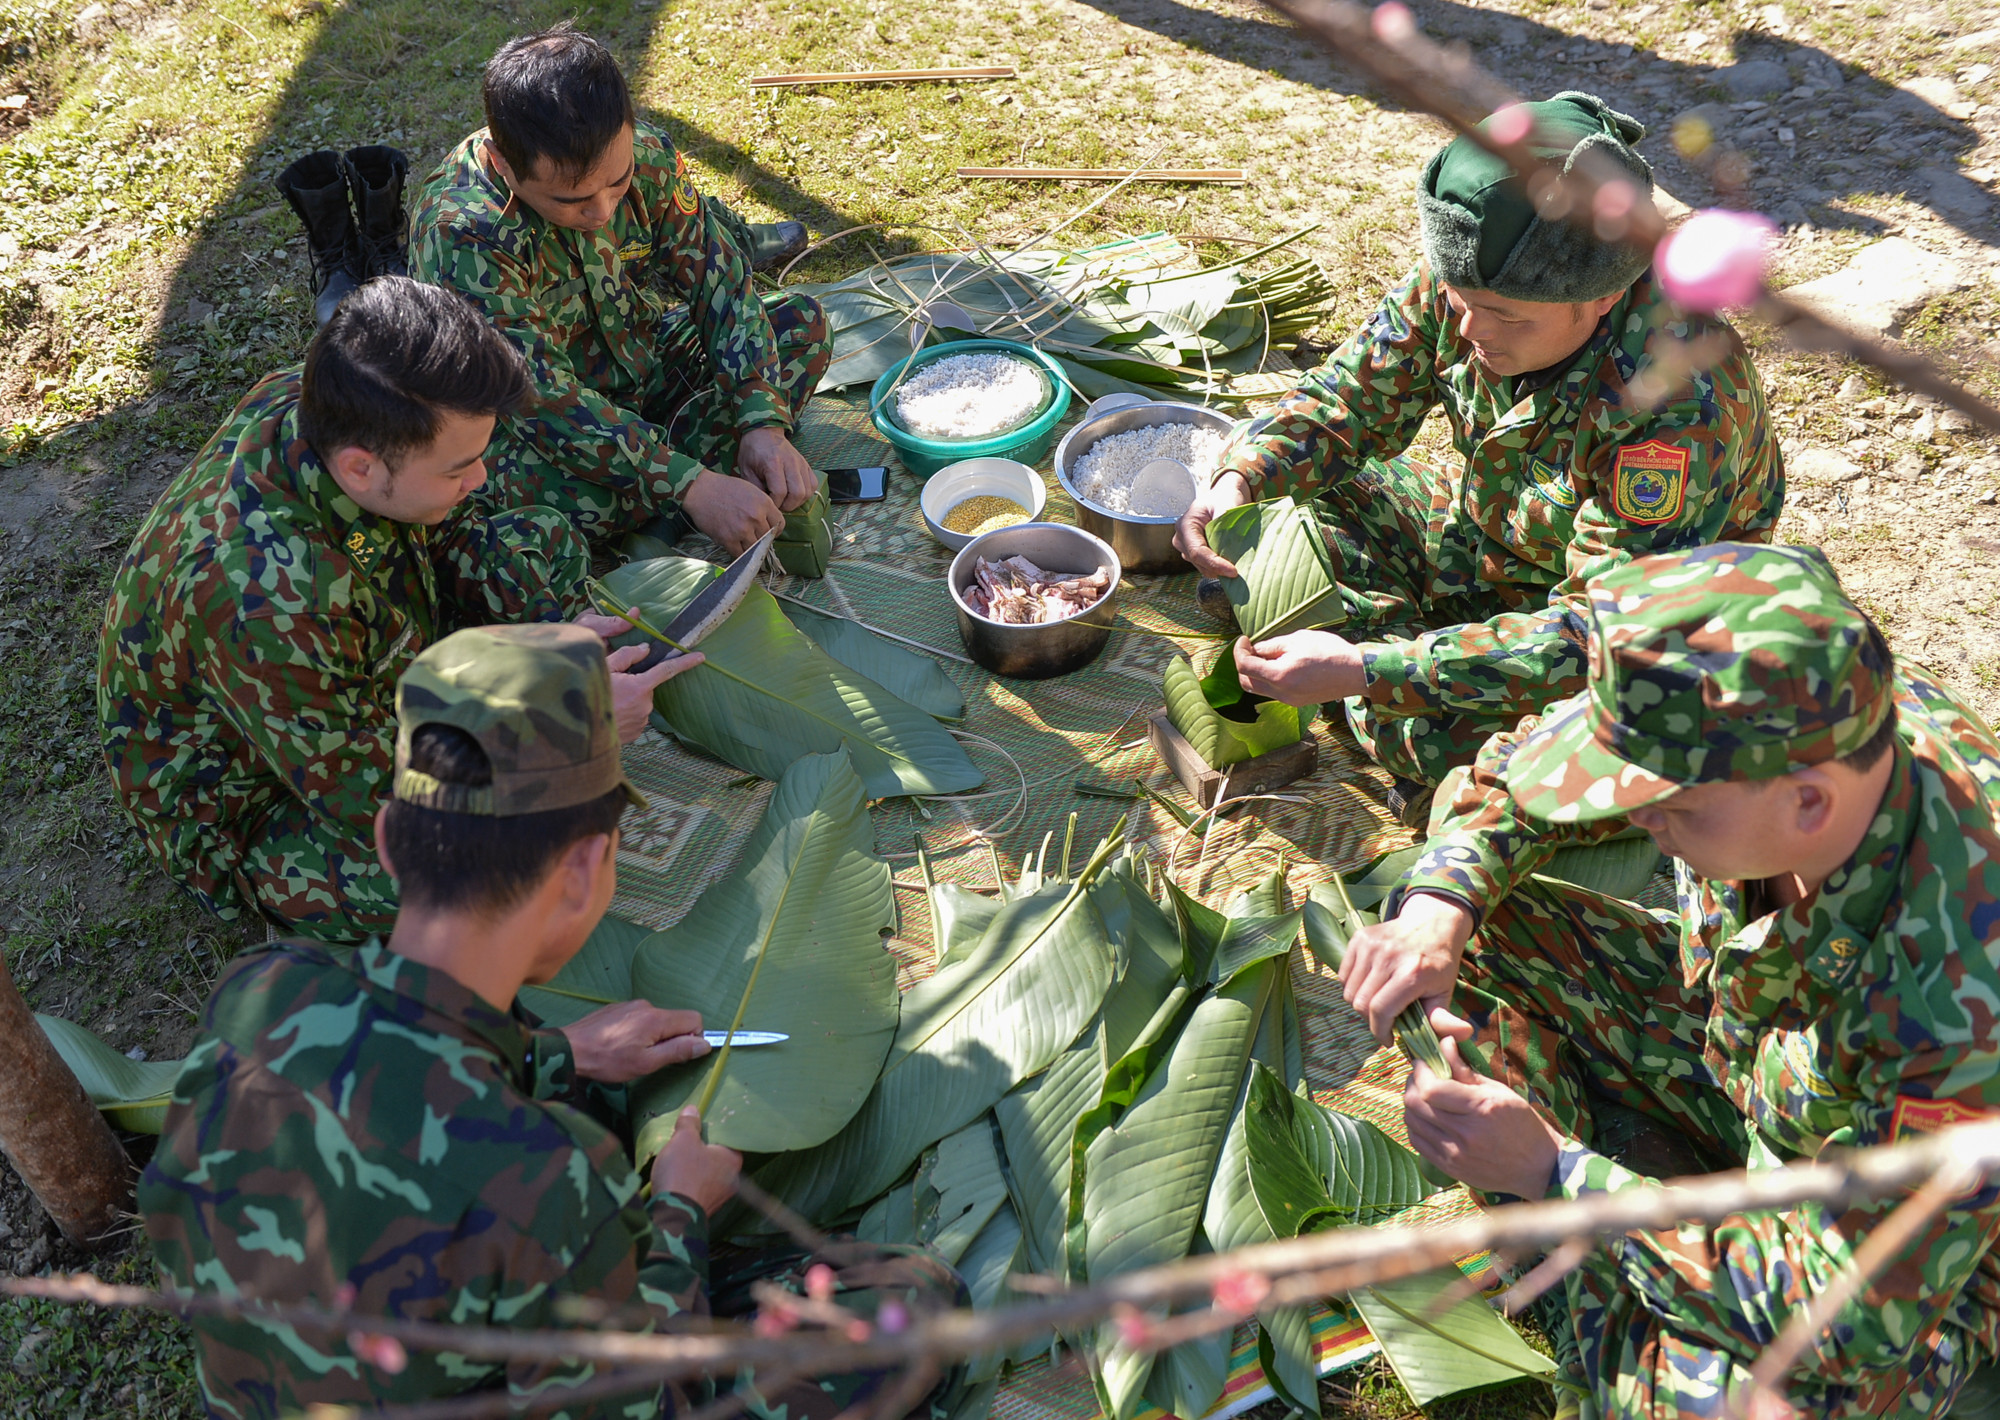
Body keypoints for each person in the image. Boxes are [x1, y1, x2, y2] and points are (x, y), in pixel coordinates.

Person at [141, 622, 970, 1420]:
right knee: (912, 1305)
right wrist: (680, 1210)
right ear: (584, 872)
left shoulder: (263, 988)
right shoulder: (550, 1181)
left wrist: (562, 1053)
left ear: (391, 838)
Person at [1338, 542, 2000, 1416]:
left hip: (1915, 1273)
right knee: (1457, 927)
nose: (1634, 818)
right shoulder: (1795, 707)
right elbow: (1527, 769)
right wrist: (1439, 905)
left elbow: (1851, 1319)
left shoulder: (1960, 995)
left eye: (1670, 806)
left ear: (1808, 803)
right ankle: (1598, 1254)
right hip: (1746, 1057)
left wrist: (1560, 1177)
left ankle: (1573, 1267)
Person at [1174, 91, 1784, 810]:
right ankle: (1376, 649)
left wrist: (1372, 670)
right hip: (1490, 538)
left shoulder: (1674, 407)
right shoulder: (1480, 282)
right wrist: (1240, 478)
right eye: (1458, 298)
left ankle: (1367, 664)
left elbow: (1594, 635)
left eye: (1501, 316)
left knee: (1439, 742)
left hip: (1624, 636)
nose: (1467, 329)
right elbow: (1349, 399)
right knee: (1282, 466)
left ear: (1599, 298)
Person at [97, 277, 699, 946]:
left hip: (361, 638)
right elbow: (375, 796)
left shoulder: (319, 402)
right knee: (489, 865)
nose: (477, 480)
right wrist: (562, 727)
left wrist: (551, 642)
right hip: (262, 799)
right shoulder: (265, 602)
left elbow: (454, 527)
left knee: (545, 542)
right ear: (359, 470)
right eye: (457, 468)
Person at [409, 24, 831, 557]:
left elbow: (720, 281)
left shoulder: (646, 154)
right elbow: (542, 403)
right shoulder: (464, 233)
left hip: (643, 367)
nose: (602, 210)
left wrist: (763, 422)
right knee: (560, 500)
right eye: (571, 199)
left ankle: (665, 492)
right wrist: (689, 483)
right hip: (531, 427)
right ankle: (680, 490)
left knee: (801, 327)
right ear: (503, 165)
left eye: (618, 181)